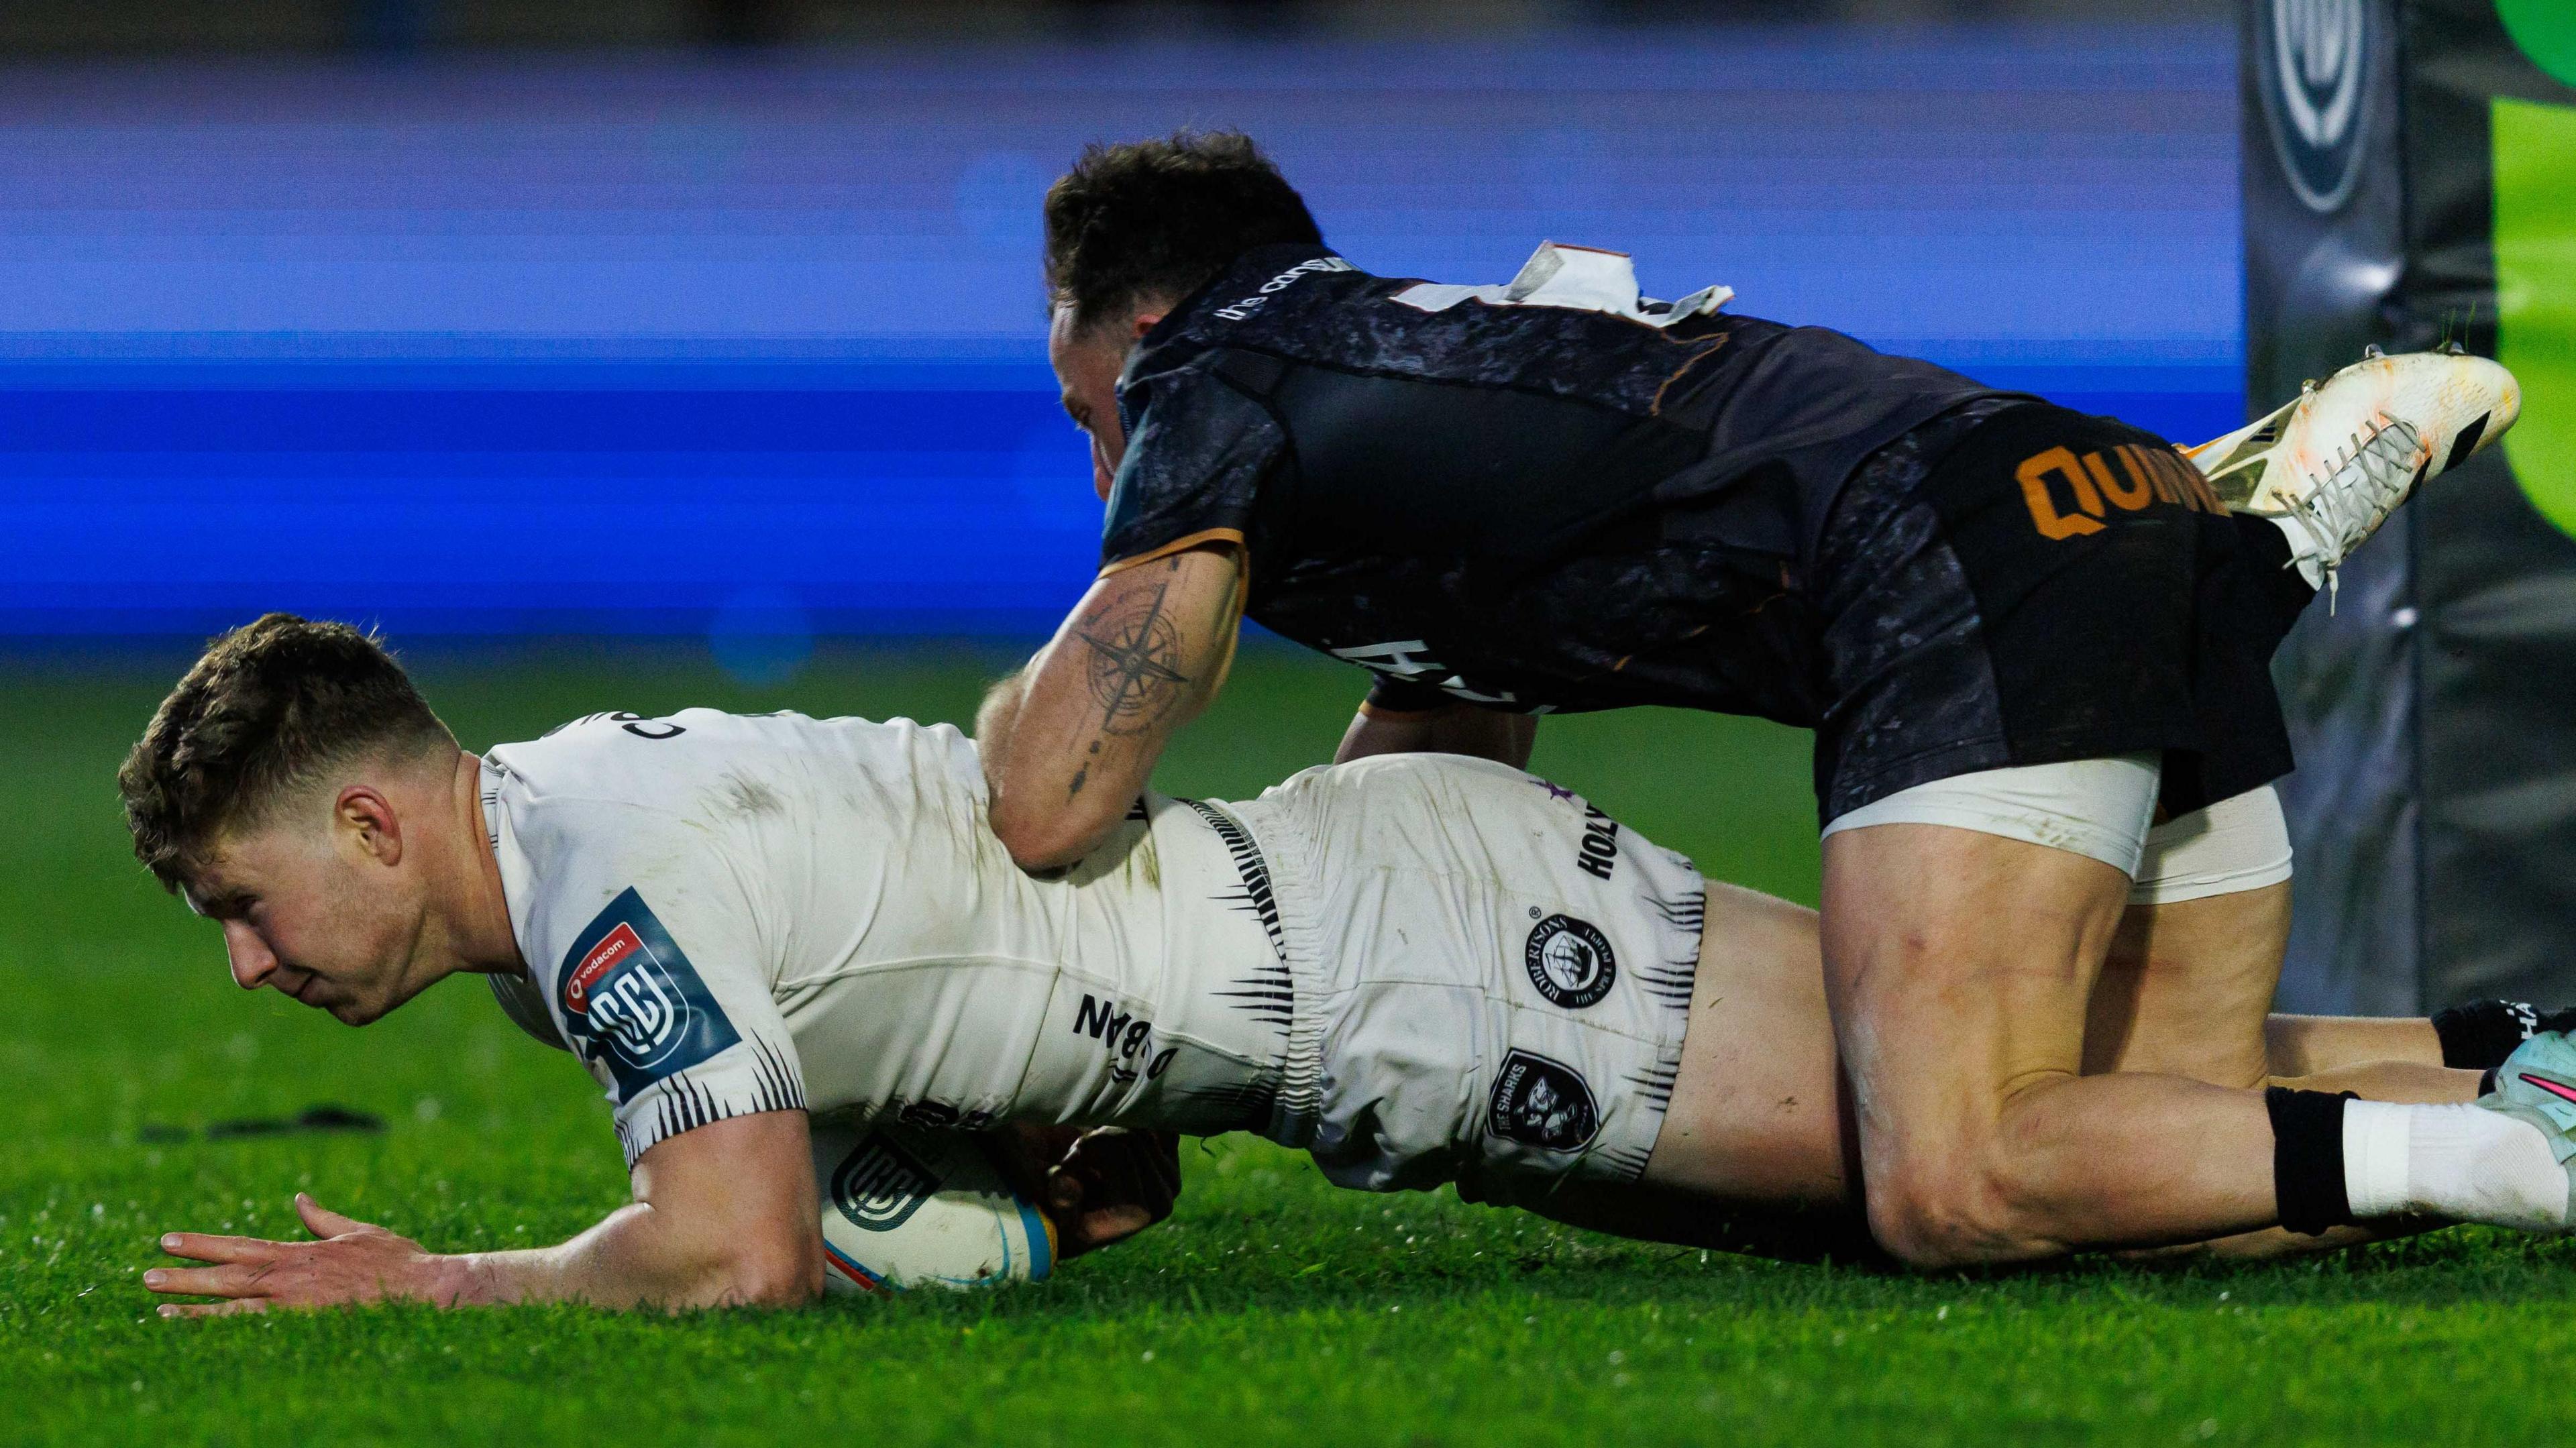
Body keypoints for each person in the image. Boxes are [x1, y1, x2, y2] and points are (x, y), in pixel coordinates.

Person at [973, 130, 2533, 1267]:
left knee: (1957, 1178)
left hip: (1955, 565)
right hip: (2098, 513)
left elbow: (1046, 802)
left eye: (1085, 412)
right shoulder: (1413, 378)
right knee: (2172, 1158)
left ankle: (2531, 1170)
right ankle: (2535, 1068)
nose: (1104, 464)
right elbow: (1424, 794)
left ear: (1143, 329)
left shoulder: (1210, 371)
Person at [122, 617, 2576, 1316]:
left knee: (2013, 1172)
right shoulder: (575, 827)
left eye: (244, 902)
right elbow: (978, 1064)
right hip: (1371, 952)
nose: (245, 969)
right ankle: (2521, 1065)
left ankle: (2506, 1124)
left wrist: (441, 1282)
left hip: (1430, 979)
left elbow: (740, 1252)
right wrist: (1036, 1167)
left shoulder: (597, 887)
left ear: (370, 821)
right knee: (2036, 1126)